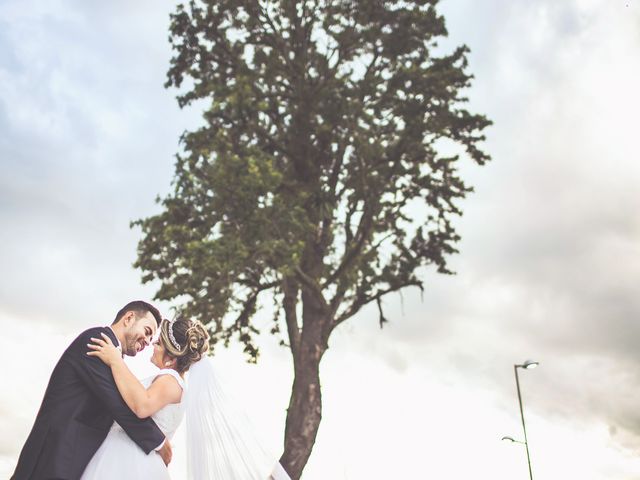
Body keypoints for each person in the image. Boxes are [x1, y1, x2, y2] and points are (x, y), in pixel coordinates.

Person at [83, 315, 292, 480]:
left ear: (171, 359)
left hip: (129, 461)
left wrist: (115, 361)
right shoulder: (170, 380)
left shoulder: (170, 380)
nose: (152, 345)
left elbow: (142, 406)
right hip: (133, 456)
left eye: (158, 343)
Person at [11, 300, 171, 480]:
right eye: (147, 331)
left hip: (71, 458)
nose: (148, 341)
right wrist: (159, 442)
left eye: (151, 338)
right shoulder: (96, 341)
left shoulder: (112, 356)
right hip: (54, 456)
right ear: (129, 318)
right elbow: (118, 404)